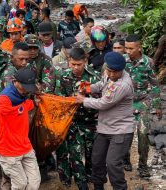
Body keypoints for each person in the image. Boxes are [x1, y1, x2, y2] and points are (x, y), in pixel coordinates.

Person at [76, 52, 135, 190]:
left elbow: (104, 103)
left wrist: (83, 100)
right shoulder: (108, 73)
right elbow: (102, 85)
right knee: (97, 161)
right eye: (110, 71)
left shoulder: (123, 85)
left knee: (113, 164)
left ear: (122, 70)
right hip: (104, 128)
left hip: (121, 130)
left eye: (116, 72)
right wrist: (88, 88)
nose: (112, 75)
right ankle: (98, 187)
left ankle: (120, 188)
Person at [0, 67, 41, 190]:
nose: (26, 91)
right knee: (20, 184)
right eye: (24, 87)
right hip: (8, 150)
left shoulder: (22, 95)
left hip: (24, 146)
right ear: (15, 82)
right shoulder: (6, 97)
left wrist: (34, 103)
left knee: (34, 182)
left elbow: (24, 106)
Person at [56, 47, 100, 190]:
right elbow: (59, 99)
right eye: (73, 64)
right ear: (69, 61)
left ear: (85, 62)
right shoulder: (63, 77)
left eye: (78, 64)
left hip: (91, 121)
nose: (75, 67)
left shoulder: (94, 77)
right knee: (76, 153)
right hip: (73, 122)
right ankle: (81, 183)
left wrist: (87, 99)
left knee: (91, 152)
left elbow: (102, 100)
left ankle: (89, 175)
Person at [123, 34, 162, 177]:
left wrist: (157, 106)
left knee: (143, 135)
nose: (128, 51)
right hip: (125, 104)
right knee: (125, 134)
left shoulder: (148, 62)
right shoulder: (122, 61)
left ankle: (143, 165)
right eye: (126, 48)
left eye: (131, 48)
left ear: (139, 47)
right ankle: (125, 160)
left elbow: (155, 85)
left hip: (143, 103)